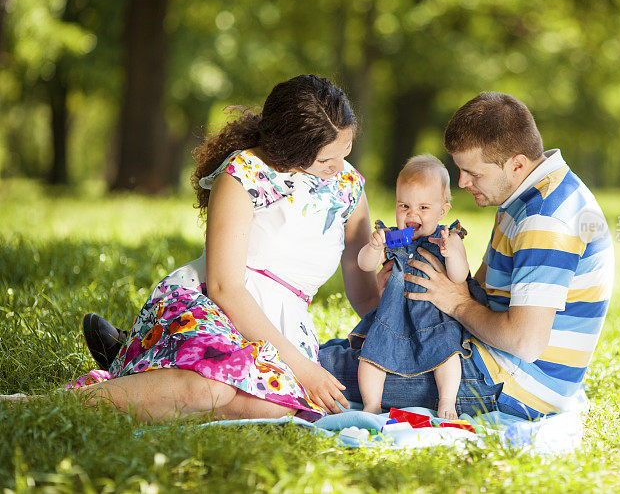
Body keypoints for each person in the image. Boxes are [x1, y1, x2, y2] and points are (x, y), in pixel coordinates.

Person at [5, 75, 380, 422]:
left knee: (285, 412)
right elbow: (224, 288)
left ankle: (148, 378)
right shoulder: (243, 174)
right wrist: (302, 368)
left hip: (283, 330)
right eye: (326, 159)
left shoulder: (348, 186)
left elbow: (361, 284)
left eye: (344, 152)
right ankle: (46, 406)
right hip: (212, 306)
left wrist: (402, 322)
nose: (339, 167)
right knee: (216, 383)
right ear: (289, 148)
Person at [319, 92, 614, 419]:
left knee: (320, 371)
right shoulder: (525, 196)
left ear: (517, 164)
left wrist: (456, 302)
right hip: (489, 357)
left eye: (474, 173)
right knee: (348, 349)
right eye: (460, 170)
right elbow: (480, 288)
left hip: (512, 384)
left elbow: (525, 342)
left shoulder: (545, 220)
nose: (462, 182)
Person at [348, 155, 471, 419]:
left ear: (442, 211)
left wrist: (451, 254)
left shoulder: (448, 238)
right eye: (404, 205)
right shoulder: (391, 238)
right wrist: (373, 247)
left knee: (448, 353)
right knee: (372, 355)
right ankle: (371, 404)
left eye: (424, 208)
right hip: (393, 315)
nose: (412, 214)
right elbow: (365, 264)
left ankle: (447, 401)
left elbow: (460, 276)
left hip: (434, 317)